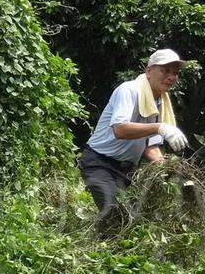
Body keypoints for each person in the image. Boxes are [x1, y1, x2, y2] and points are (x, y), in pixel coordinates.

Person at [80, 48, 190, 219]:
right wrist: (159, 127)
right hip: (99, 162)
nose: (171, 77)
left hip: (125, 170)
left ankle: (101, 243)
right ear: (149, 71)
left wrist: (167, 170)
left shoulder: (160, 103)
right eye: (165, 70)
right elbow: (120, 129)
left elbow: (150, 147)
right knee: (116, 215)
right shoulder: (129, 90)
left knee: (132, 220)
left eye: (175, 73)